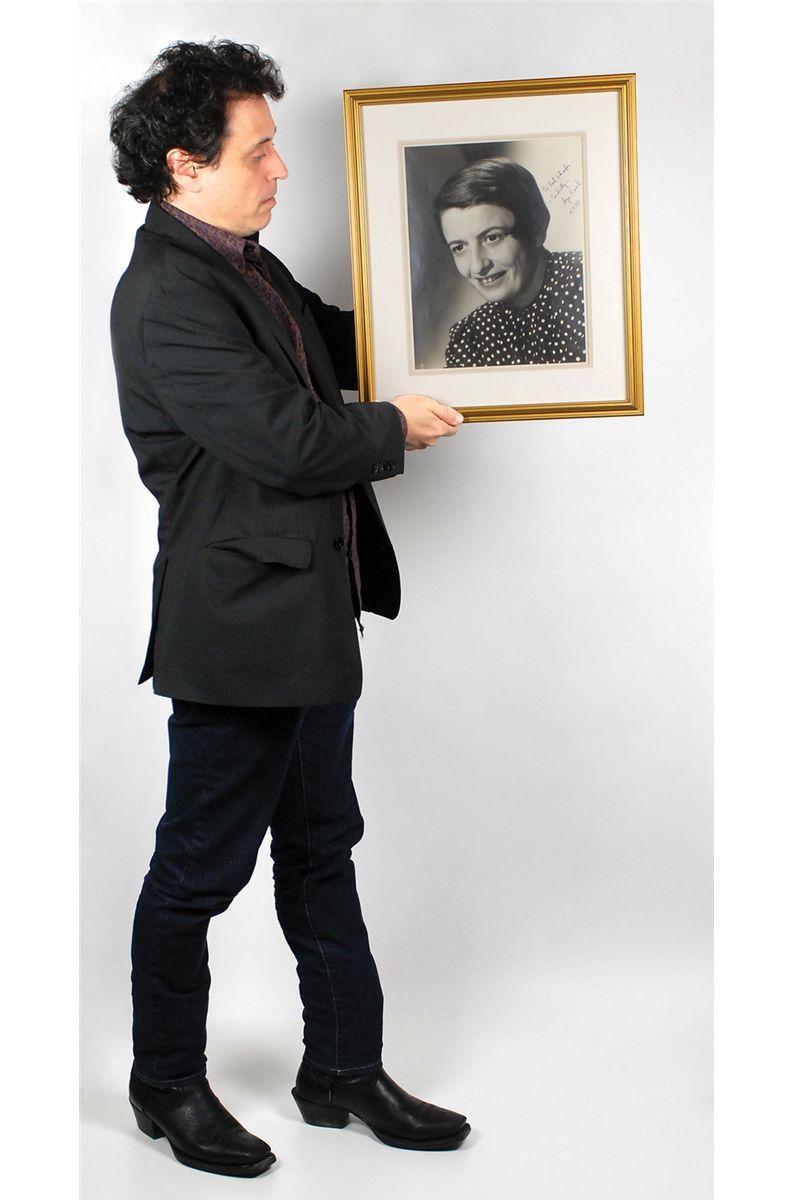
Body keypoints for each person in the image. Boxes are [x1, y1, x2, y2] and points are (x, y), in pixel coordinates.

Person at [108, 39, 469, 1180]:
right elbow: (289, 439)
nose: (279, 169)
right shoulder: (167, 295)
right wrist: (393, 425)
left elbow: (343, 346)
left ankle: (342, 1070)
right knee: (196, 873)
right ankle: (166, 1082)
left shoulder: (244, 266)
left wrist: (470, 315)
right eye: (258, 150)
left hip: (311, 620)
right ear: (185, 164)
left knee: (321, 854)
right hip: (237, 636)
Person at [434, 156, 586, 367]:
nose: (477, 265)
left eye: (492, 238)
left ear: (535, 230)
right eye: (459, 247)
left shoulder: (589, 283)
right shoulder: (470, 340)